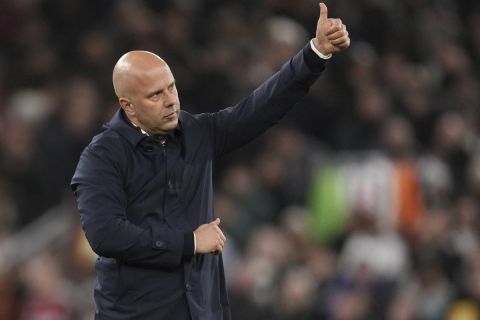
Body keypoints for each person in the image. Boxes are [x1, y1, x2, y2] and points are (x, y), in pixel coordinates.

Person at [71, 3, 350, 320]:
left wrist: (315, 54)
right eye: (155, 95)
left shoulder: (196, 132)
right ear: (128, 106)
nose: (170, 101)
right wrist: (188, 243)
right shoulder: (102, 157)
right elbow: (105, 234)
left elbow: (259, 109)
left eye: (171, 88)